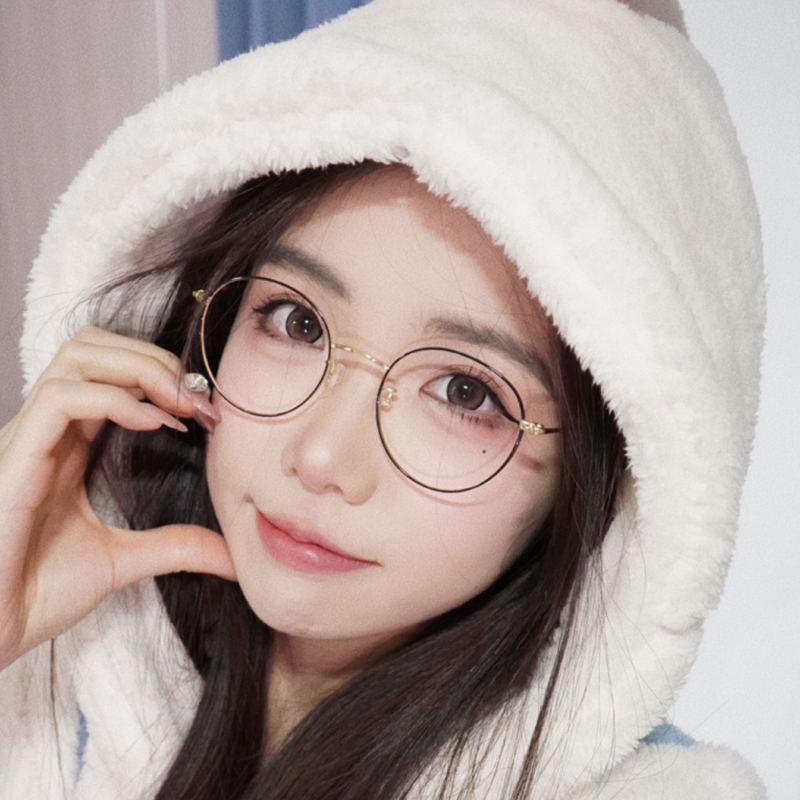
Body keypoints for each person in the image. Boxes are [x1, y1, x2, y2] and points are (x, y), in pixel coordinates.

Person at [0, 0, 767, 798]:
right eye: (296, 323)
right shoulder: (50, 681)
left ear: (606, 478)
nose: (321, 456)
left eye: (465, 392)